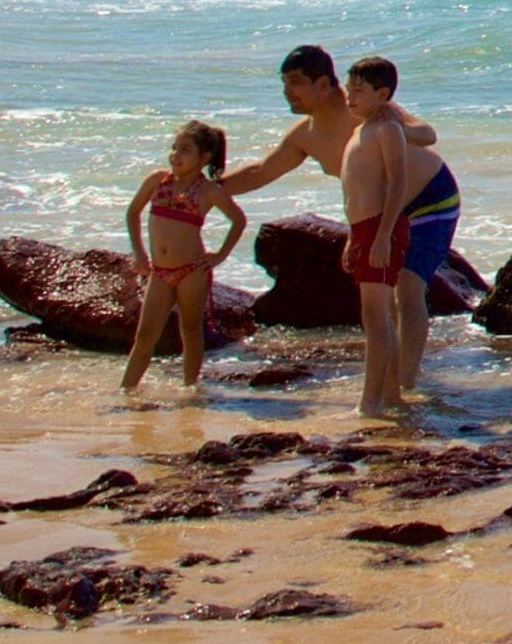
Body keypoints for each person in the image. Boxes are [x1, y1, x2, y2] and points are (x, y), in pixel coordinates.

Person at [217, 44, 458, 393]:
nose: (288, 92)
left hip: (430, 199)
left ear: (326, 84)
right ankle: (387, 384)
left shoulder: (366, 108)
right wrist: (206, 188)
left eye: (296, 82)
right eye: (285, 83)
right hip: (378, 215)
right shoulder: (305, 136)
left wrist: (391, 128)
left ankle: (406, 385)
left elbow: (427, 134)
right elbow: (261, 171)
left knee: (408, 286)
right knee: (380, 298)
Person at [339, 56, 440, 419]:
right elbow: (356, 191)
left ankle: (371, 401)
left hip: (383, 228)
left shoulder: (387, 129)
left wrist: (382, 236)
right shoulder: (360, 130)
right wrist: (354, 237)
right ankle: (391, 395)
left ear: (383, 95)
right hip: (364, 229)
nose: (350, 97)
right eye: (348, 89)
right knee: (374, 315)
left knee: (378, 317)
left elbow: (397, 184)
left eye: (359, 91)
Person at [122, 121, 247, 394]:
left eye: (185, 150)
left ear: (204, 158)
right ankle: (127, 391)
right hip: (160, 272)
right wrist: (139, 253)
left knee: (190, 333)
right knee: (145, 336)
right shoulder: (158, 180)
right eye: (174, 148)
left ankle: (190, 389)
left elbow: (238, 221)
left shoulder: (209, 191)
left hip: (191, 271)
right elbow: (132, 213)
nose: (175, 155)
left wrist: (219, 256)